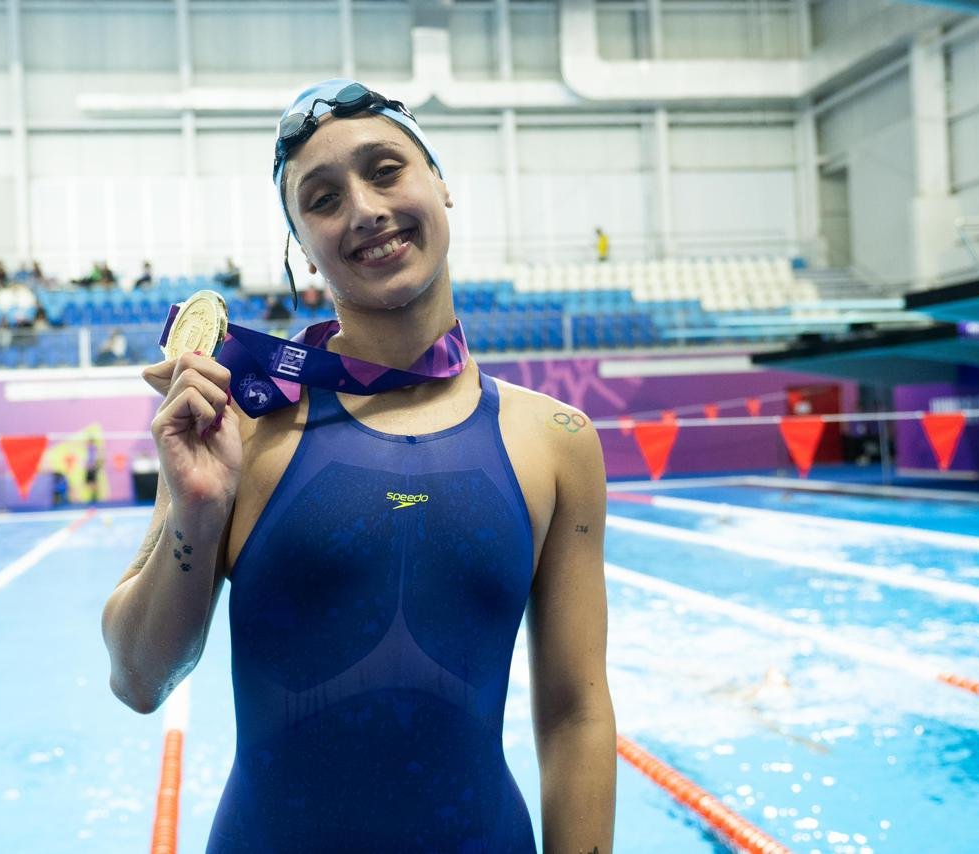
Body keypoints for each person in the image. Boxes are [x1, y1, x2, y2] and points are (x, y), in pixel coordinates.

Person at [102, 79, 614, 852]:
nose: (366, 210)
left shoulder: (555, 439)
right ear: (302, 249)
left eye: (385, 170)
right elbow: (139, 680)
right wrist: (198, 517)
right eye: (323, 198)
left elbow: (577, 714)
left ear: (441, 184)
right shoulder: (239, 425)